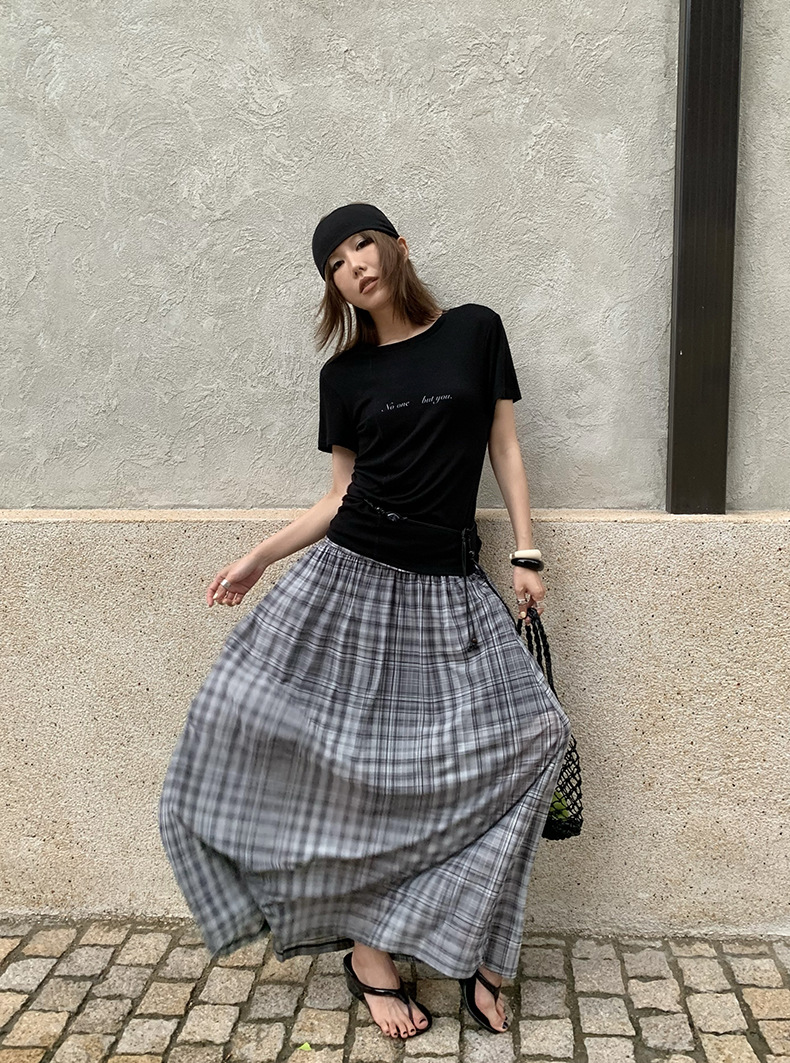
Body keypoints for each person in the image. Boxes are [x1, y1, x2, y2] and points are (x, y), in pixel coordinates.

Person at [158, 202, 572, 1042]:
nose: (354, 265)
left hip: (450, 585)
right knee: (360, 778)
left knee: (540, 735)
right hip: (354, 582)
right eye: (335, 265)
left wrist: (527, 552)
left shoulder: (475, 330)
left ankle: (479, 946)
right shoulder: (344, 376)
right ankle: (370, 954)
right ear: (336, 289)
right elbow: (340, 496)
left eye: (360, 244)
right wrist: (260, 556)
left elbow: (504, 446)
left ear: (395, 246)